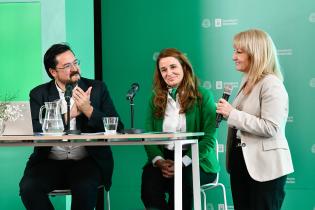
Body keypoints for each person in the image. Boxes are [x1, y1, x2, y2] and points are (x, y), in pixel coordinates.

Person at [19, 43, 124, 210]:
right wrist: (71, 113)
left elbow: (117, 126)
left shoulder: (96, 89)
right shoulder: (39, 94)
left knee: (84, 187)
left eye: (76, 62)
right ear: (53, 72)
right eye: (67, 66)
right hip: (50, 161)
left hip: (87, 161)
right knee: (28, 188)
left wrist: (88, 110)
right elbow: (35, 129)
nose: (75, 68)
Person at [216, 29, 294, 210]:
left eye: (239, 51)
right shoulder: (246, 81)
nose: (233, 57)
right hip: (241, 161)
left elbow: (271, 127)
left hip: (266, 167)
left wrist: (232, 114)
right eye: (234, 51)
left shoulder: (271, 84)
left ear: (255, 53)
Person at [141, 48, 219, 210]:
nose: (168, 73)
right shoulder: (154, 98)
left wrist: (182, 163)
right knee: (149, 183)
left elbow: (209, 139)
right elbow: (148, 136)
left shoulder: (203, 96)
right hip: (164, 158)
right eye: (163, 70)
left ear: (184, 67)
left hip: (196, 160)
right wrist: (159, 161)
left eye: (173, 67)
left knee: (183, 183)